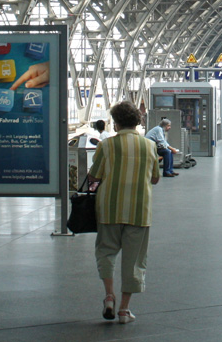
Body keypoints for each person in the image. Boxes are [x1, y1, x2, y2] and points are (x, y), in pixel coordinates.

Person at [88, 101, 160, 324]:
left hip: (109, 208)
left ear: (116, 122)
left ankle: (109, 296)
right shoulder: (149, 146)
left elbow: (94, 176)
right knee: (134, 259)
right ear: (137, 121)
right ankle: (124, 310)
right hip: (139, 210)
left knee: (106, 252)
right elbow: (155, 178)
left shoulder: (106, 146)